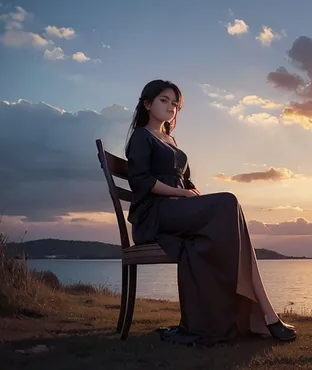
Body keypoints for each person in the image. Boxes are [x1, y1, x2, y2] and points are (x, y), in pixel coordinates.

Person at [124, 79, 296, 346]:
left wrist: (194, 199)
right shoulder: (141, 137)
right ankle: (266, 313)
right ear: (147, 103)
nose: (171, 108)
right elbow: (140, 181)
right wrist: (183, 195)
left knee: (226, 215)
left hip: (178, 210)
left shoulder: (170, 140)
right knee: (228, 201)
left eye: (175, 104)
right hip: (155, 214)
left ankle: (254, 314)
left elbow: (188, 182)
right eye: (164, 101)